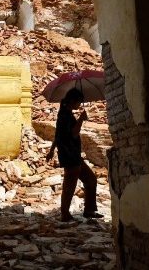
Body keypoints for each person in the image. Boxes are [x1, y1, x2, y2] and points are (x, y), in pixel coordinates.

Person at [46, 88, 103, 220]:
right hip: (69, 154)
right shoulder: (65, 115)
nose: (79, 105)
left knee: (90, 180)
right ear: (73, 100)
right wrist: (81, 120)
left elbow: (57, 135)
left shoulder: (65, 114)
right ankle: (65, 214)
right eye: (79, 102)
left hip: (73, 154)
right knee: (70, 185)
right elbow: (73, 133)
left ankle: (89, 210)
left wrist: (51, 150)